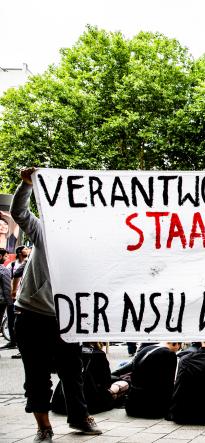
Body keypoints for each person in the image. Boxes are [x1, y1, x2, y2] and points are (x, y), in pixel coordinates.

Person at [10, 168, 102, 442]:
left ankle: (79, 418)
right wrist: (25, 185)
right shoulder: (45, 231)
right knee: (36, 376)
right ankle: (44, 427)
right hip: (32, 315)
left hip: (66, 319)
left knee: (73, 372)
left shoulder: (92, 246)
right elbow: (19, 214)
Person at [114, 342, 180, 419]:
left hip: (132, 406)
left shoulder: (145, 349)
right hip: (152, 410)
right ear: (176, 344)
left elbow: (131, 367)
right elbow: (169, 383)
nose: (178, 350)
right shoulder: (170, 354)